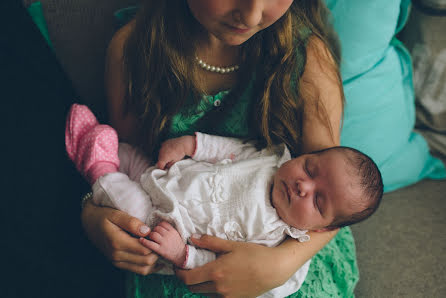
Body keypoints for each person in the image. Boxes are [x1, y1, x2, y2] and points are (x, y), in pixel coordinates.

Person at [81, 0, 346, 296]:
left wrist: (279, 264)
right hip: (173, 247)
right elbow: (119, 158)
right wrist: (93, 216)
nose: (252, 14)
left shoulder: (307, 58)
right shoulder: (134, 49)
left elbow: (336, 199)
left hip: (288, 251)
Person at [65, 104, 382, 296]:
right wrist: (190, 144)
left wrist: (182, 254)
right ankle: (110, 151)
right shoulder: (271, 159)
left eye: (318, 202)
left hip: (163, 228)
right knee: (133, 158)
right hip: (164, 175)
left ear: (323, 229)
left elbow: (226, 267)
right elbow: (226, 149)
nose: (303, 186)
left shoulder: (277, 239)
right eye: (310, 168)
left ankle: (97, 168)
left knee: (131, 207)